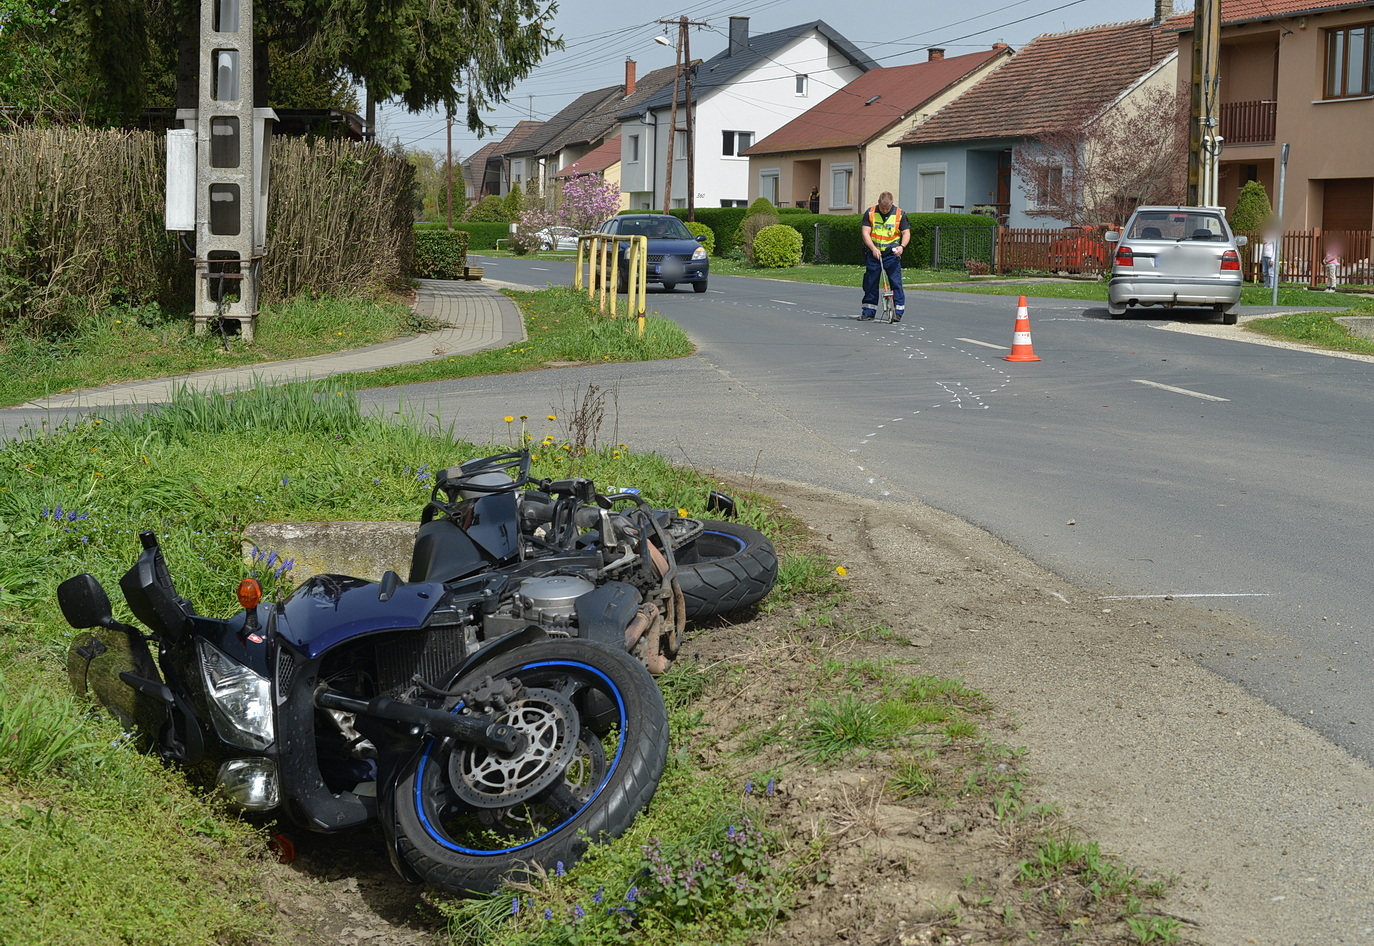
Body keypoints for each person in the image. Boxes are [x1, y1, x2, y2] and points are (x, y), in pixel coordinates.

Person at [860, 192, 910, 322]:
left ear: (892, 204)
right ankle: (868, 312)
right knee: (870, 283)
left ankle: (897, 312)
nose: (885, 210)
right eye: (883, 208)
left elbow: (906, 232)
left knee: (896, 283)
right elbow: (865, 232)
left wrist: (902, 247)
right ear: (878, 202)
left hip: (892, 255)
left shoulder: (900, 214)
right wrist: (873, 248)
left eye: (888, 208)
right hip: (874, 253)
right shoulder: (870, 212)